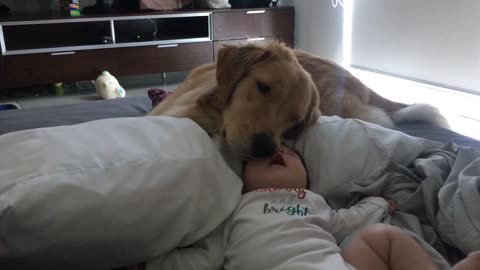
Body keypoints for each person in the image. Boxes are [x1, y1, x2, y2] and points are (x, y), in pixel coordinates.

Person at [130, 145, 480, 270]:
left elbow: (345, 221)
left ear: (306, 182)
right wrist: (153, 263)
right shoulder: (236, 209)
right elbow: (206, 257)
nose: (279, 151)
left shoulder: (314, 203)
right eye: (266, 155)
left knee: (380, 236)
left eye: (292, 154)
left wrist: (379, 202)